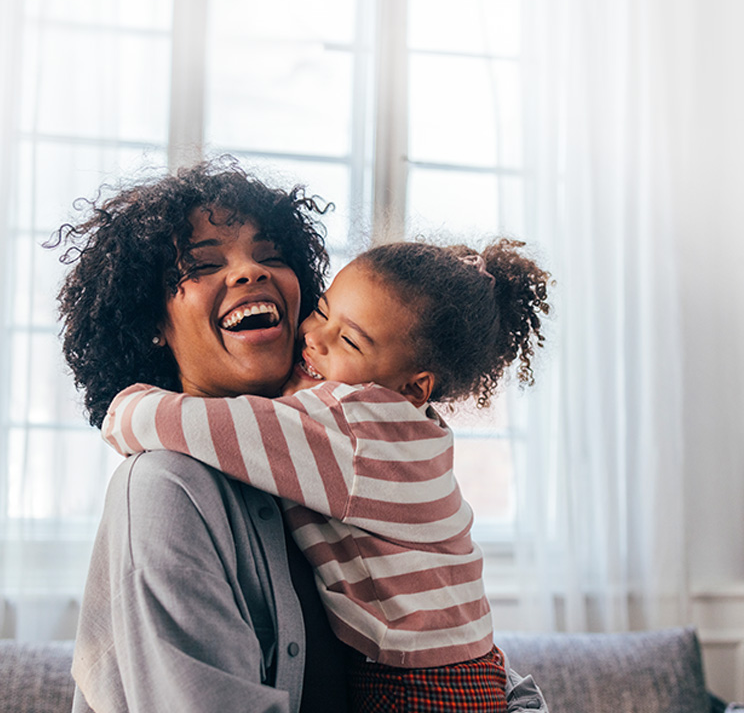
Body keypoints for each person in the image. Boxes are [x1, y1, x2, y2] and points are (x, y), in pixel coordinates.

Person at [56, 158, 549, 713]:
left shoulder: (345, 440)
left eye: (270, 255)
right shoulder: (166, 488)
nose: (251, 273)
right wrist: (124, 407)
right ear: (149, 322)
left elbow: (479, 663)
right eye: (201, 264)